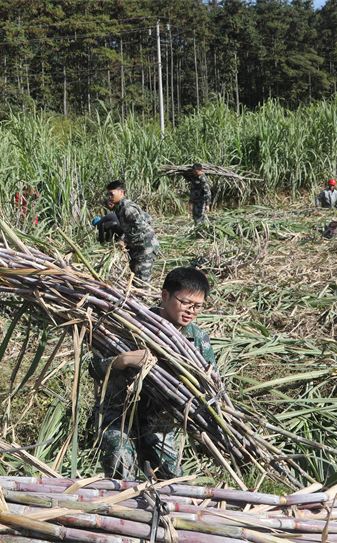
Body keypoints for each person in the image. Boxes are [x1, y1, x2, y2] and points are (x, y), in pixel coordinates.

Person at [88, 267, 217, 480]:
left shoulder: (198, 341)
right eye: (185, 303)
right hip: (118, 415)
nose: (191, 311)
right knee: (121, 463)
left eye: (197, 306)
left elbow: (210, 385)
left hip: (160, 424)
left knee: (173, 480)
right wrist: (122, 361)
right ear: (165, 296)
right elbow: (94, 368)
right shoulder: (131, 324)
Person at [106, 180, 159, 284]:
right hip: (136, 248)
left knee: (142, 282)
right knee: (134, 278)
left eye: (111, 194)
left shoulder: (128, 208)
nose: (109, 197)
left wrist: (125, 241)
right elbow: (147, 218)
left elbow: (140, 227)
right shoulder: (119, 207)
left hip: (145, 248)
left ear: (121, 192)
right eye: (108, 194)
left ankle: (145, 299)